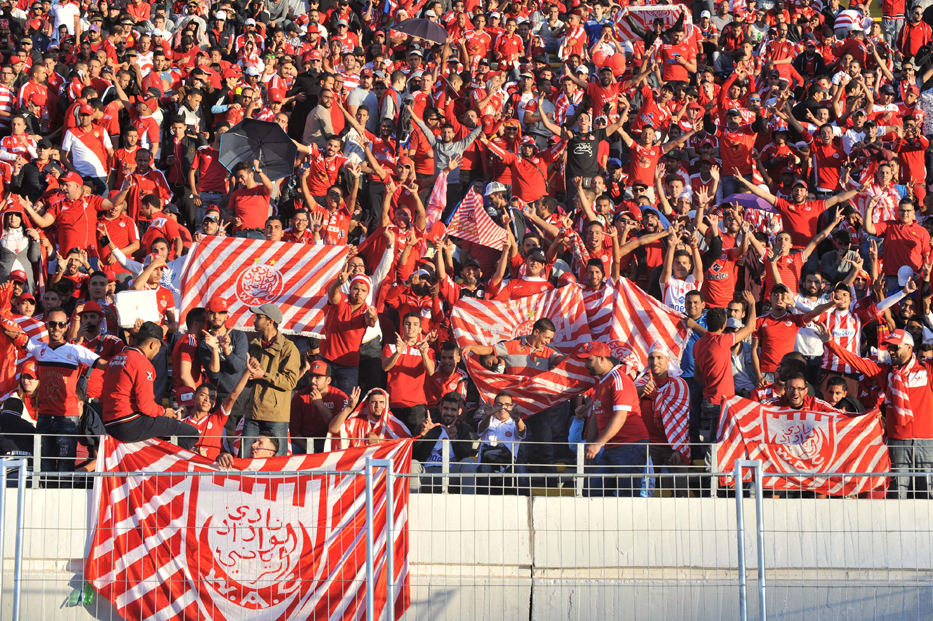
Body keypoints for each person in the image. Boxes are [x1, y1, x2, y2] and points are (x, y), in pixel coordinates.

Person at [817, 325, 933, 498]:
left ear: (909, 347)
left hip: (927, 442)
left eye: (895, 347)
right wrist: (830, 343)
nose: (891, 351)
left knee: (928, 494)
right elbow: (856, 361)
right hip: (897, 442)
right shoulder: (884, 371)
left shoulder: (927, 370)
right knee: (897, 495)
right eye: (889, 347)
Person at [101, 321, 199, 451]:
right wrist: (165, 411)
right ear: (153, 344)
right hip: (128, 423)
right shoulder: (142, 363)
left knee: (162, 432)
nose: (159, 351)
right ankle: (168, 465)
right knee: (192, 433)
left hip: (109, 423)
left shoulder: (115, 359)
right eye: (159, 347)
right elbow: (145, 406)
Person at [240, 303, 301, 457]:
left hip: (276, 416)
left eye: (258, 317)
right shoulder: (254, 345)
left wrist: (263, 375)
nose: (253, 319)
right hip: (252, 413)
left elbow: (290, 382)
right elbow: (247, 382)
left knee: (277, 465)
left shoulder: (289, 348)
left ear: (270, 321)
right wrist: (248, 372)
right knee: (244, 461)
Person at [290, 360, 349, 454]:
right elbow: (294, 431)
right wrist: (308, 448)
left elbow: (336, 430)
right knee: (291, 450)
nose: (313, 381)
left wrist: (320, 405)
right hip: (305, 442)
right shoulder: (299, 397)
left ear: (328, 380)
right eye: (311, 376)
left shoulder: (340, 397)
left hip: (330, 441)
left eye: (318, 377)